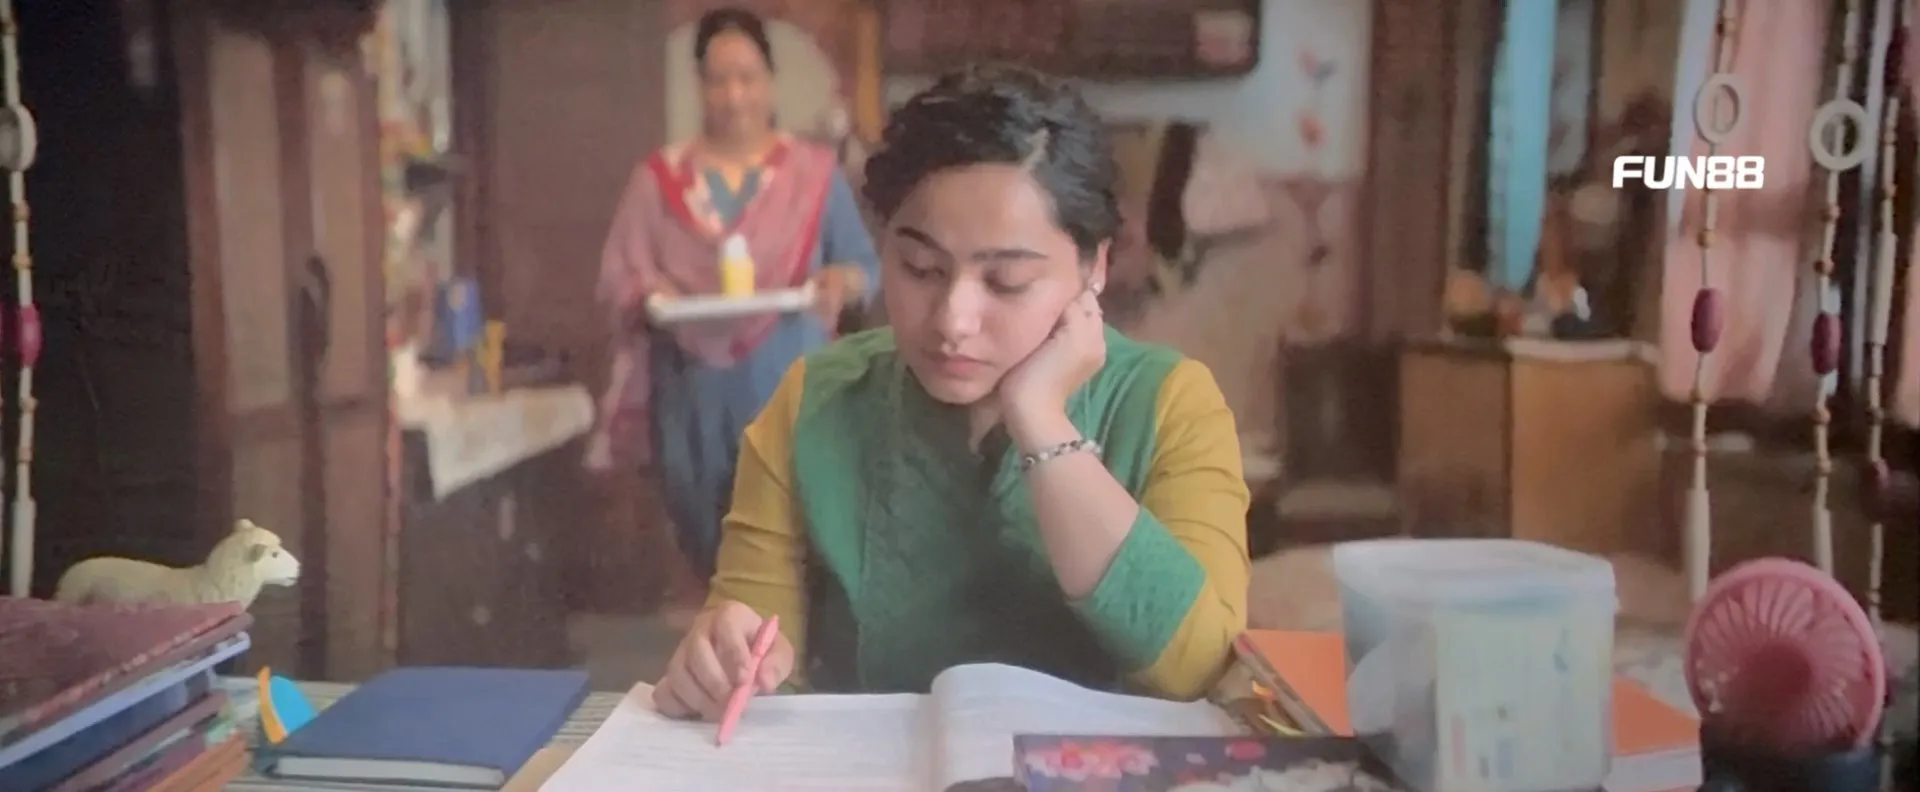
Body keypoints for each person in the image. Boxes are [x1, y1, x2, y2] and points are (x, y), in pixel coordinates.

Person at [652, 63, 1251, 718]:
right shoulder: (815, 404)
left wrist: (1041, 422)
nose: (952, 321)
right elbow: (756, 657)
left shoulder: (1170, 404)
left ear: (1094, 268)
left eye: (1005, 282)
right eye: (920, 269)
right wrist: (725, 662)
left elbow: (1199, 663)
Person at [588, 7, 880, 585]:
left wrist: (838, 282)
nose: (735, 95)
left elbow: (864, 266)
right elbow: (617, 280)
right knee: (709, 549)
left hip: (789, 381)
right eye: (719, 80)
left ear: (770, 82)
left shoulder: (813, 174)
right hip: (691, 392)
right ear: (700, 87)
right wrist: (649, 291)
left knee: (793, 544)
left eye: (747, 77)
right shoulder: (659, 179)